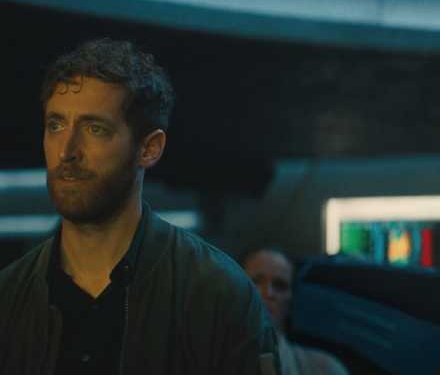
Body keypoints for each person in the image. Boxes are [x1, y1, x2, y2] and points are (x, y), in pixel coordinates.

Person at [0, 39, 280, 375]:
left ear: (149, 149)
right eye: (56, 125)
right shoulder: (10, 296)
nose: (66, 151)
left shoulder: (217, 293)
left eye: (95, 129)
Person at [241, 248, 350, 375]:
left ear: (291, 300)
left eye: (280, 285)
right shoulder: (221, 363)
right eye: (256, 282)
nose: (268, 293)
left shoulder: (325, 369)